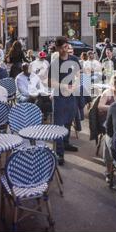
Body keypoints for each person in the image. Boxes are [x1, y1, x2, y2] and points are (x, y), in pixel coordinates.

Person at [49, 37, 81, 165]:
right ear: (57, 48)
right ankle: (59, 153)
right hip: (59, 97)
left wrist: (75, 86)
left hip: (71, 96)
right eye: (60, 48)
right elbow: (51, 82)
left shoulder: (74, 60)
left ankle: (66, 143)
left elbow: (78, 75)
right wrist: (64, 86)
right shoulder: (55, 63)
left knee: (68, 121)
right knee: (59, 125)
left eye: (65, 47)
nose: (63, 50)